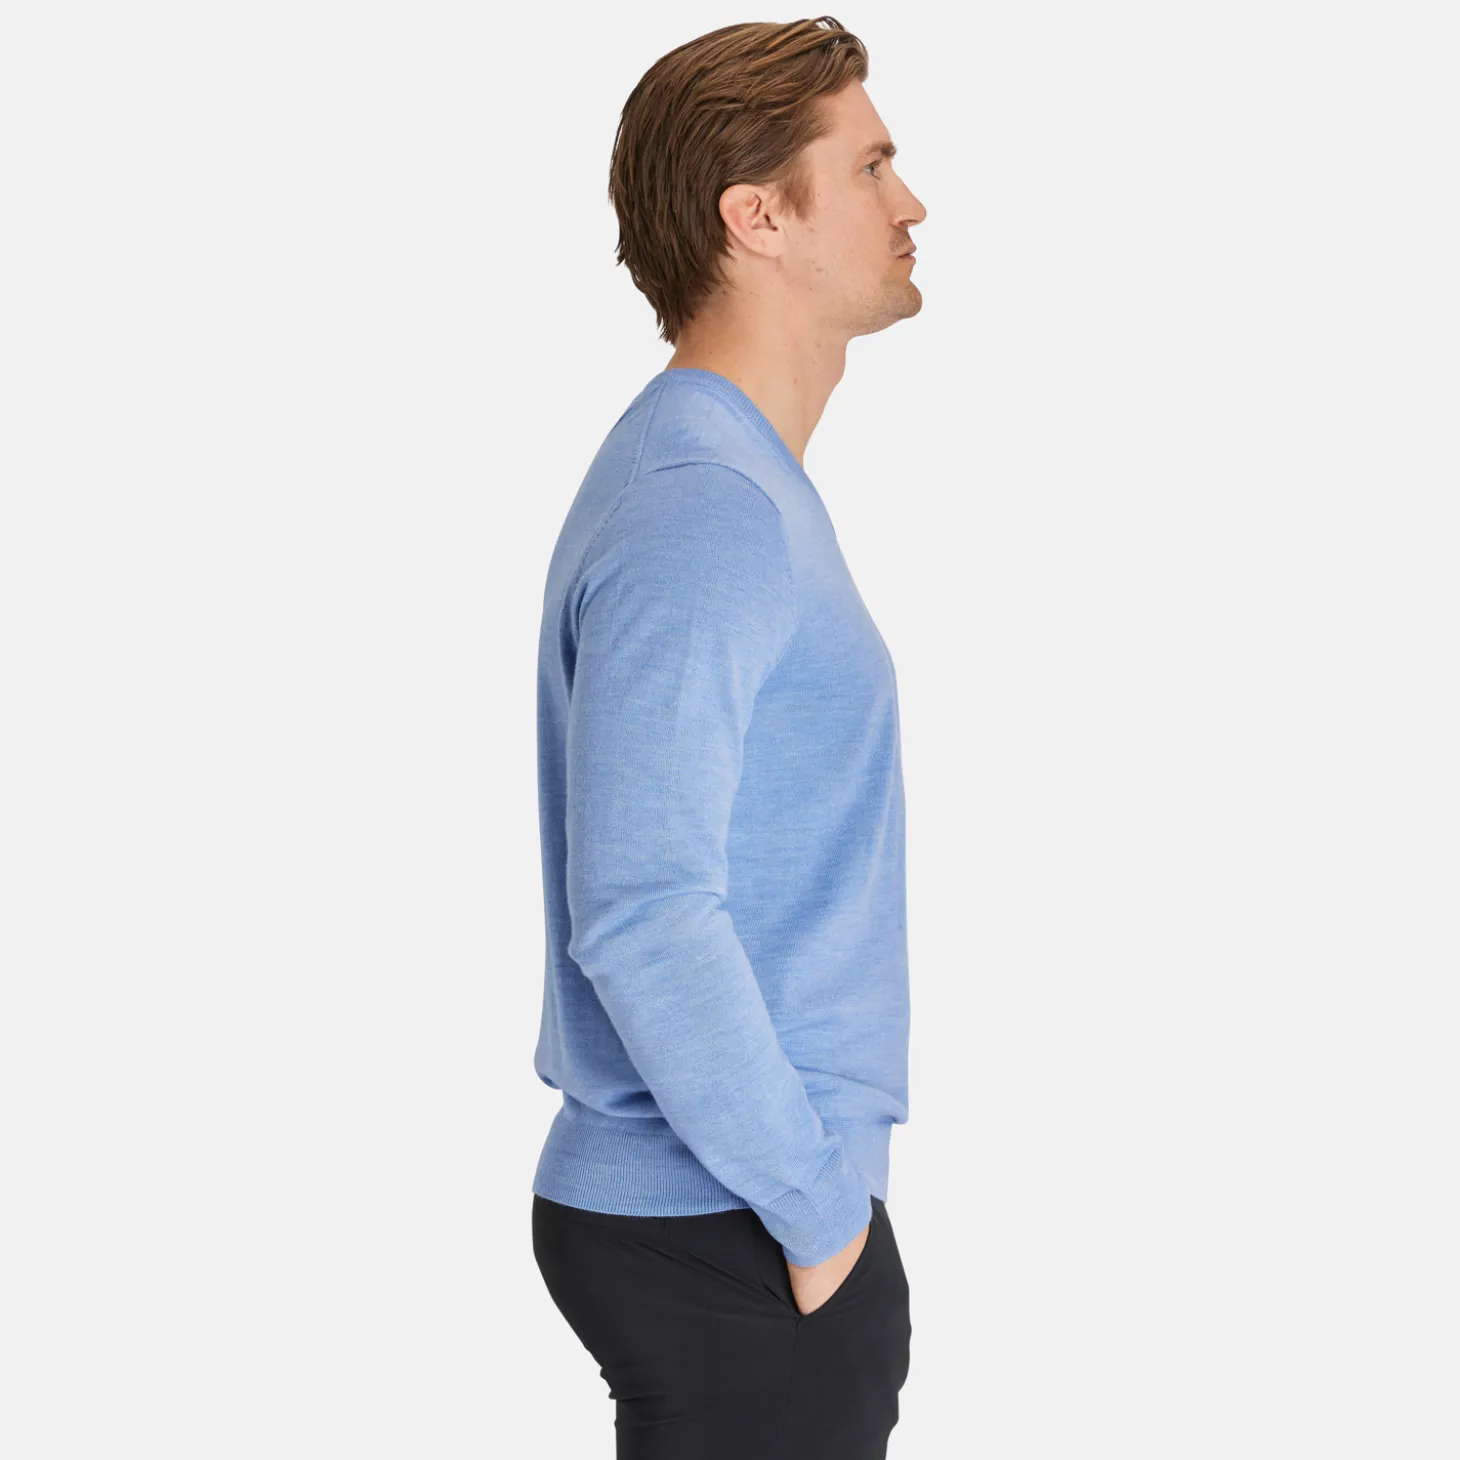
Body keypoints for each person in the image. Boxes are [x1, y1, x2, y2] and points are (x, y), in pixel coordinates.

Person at [529, 16, 926, 1457]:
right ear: (757, 217)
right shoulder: (706, 508)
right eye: (869, 166)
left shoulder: (731, 481)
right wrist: (819, 1216)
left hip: (734, 1214)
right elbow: (643, 909)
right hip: (728, 1220)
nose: (912, 201)